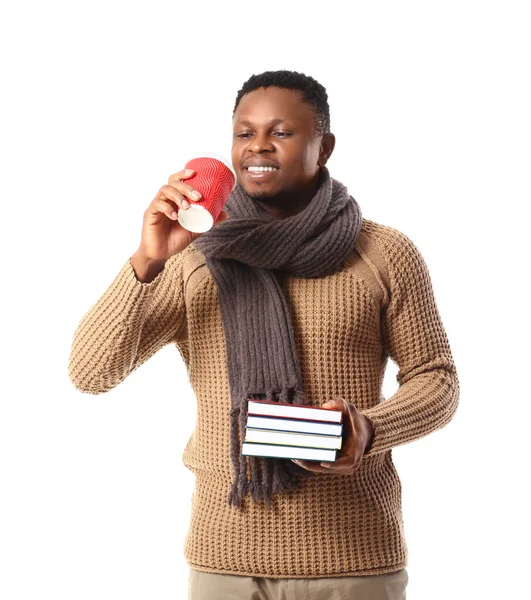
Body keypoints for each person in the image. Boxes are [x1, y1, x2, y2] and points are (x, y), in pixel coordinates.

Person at [68, 70, 459, 600]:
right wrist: (148, 260)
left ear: (325, 146)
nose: (258, 146)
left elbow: (437, 381)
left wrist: (369, 430)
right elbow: (90, 374)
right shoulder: (194, 258)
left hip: (354, 558)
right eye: (245, 132)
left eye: (281, 132)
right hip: (224, 560)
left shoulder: (383, 253)